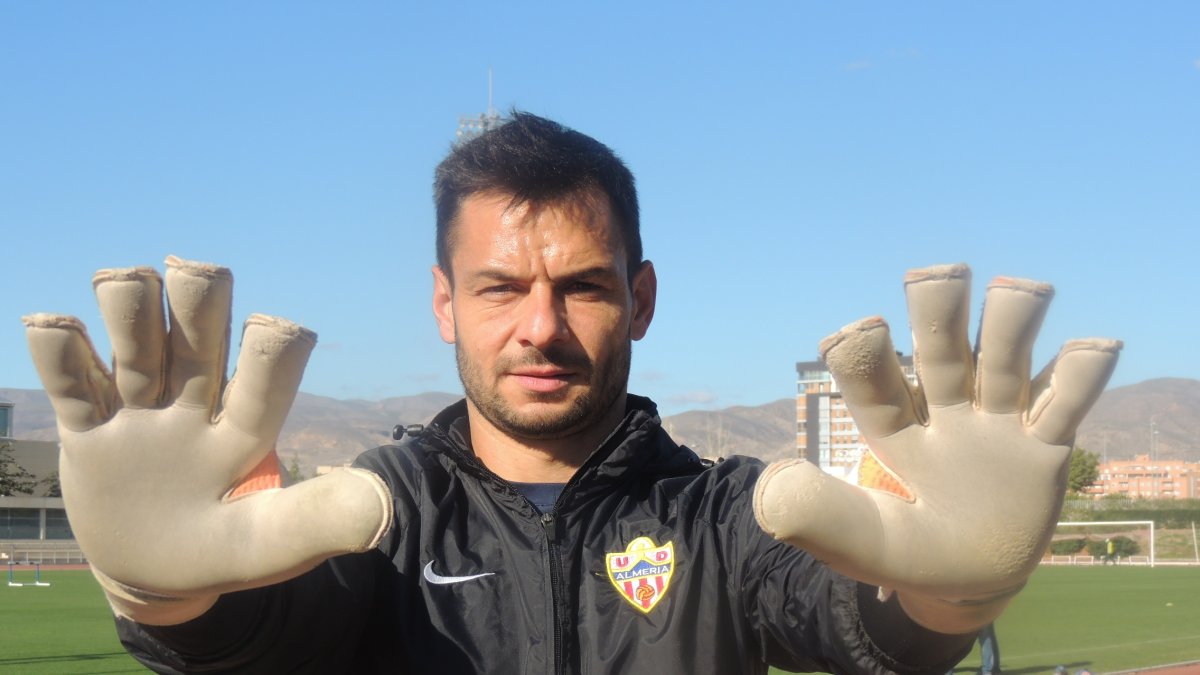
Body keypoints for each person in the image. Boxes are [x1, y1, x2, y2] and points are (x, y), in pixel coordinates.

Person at [22, 112, 1122, 674]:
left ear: (640, 298)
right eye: (500, 288)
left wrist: (950, 599)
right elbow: (255, 633)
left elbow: (854, 620)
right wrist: (157, 595)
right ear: (444, 304)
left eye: (583, 287)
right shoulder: (377, 516)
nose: (540, 327)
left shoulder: (725, 514)